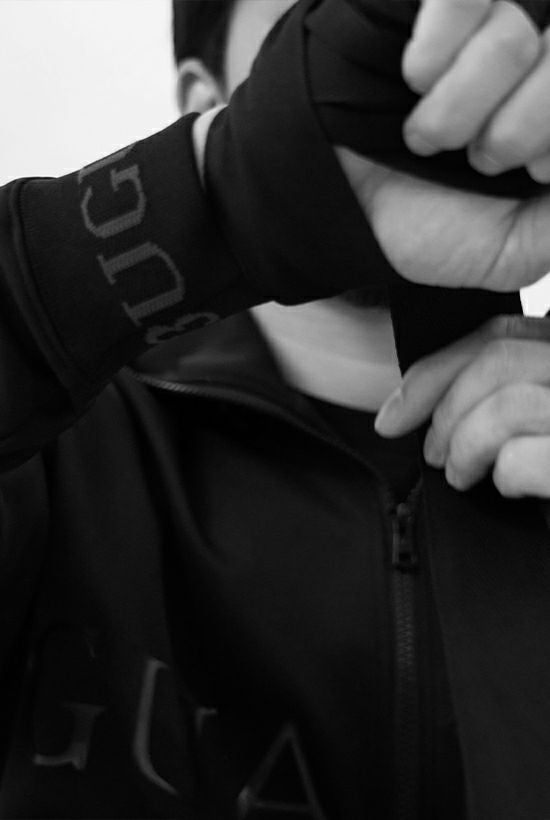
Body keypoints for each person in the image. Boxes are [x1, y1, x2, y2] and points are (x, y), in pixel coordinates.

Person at [1, 0, 550, 817]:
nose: (410, 60)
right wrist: (215, 195)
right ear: (205, 101)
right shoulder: (63, 447)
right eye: (319, 20)